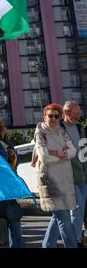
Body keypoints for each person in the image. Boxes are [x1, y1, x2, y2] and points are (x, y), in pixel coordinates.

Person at [33, 103, 77, 248]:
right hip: (50, 180)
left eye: (56, 116)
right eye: (50, 115)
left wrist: (57, 153)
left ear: (60, 117)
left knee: (58, 215)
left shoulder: (62, 132)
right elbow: (44, 156)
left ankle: (47, 245)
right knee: (63, 217)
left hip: (64, 179)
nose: (53, 119)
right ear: (44, 116)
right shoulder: (40, 133)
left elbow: (73, 151)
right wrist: (62, 154)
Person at [0, 117, 22, 248]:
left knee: (13, 219)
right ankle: (2, 243)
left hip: (8, 186)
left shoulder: (8, 145)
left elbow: (15, 162)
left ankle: (15, 245)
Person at [60, 101, 87, 246]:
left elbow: (84, 151)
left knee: (74, 212)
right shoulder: (58, 127)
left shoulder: (79, 127)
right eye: (75, 114)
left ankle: (52, 243)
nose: (78, 116)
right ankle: (75, 240)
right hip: (68, 176)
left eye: (78, 114)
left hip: (83, 175)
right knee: (77, 208)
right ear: (66, 113)